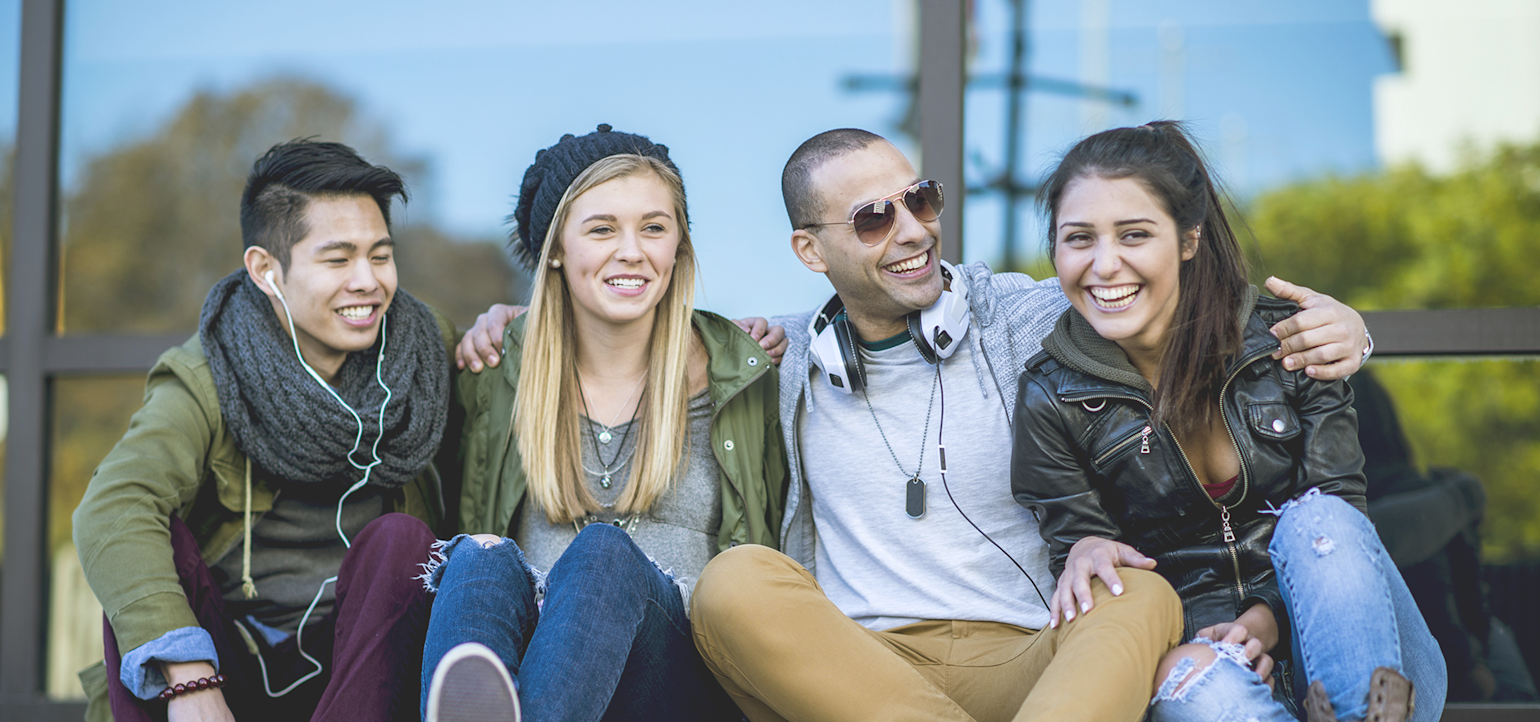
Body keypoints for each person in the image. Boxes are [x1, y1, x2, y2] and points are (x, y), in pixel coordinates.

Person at [459, 127, 1370, 722]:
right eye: (871, 217)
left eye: (919, 200)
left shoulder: (1020, 319)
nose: (911, 230)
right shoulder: (777, 360)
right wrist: (515, 324)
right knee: (735, 582)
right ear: (810, 250)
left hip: (1033, 658)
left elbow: (1153, 295)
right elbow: (632, 322)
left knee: (1142, 596)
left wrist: (1336, 328)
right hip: (856, 669)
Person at [1009, 121, 1445, 722]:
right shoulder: (1051, 397)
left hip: (1364, 654)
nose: (1105, 264)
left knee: (1320, 518)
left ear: (1189, 239)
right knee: (1196, 681)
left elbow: (1343, 530)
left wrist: (1268, 621)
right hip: (1204, 660)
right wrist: (1205, 643)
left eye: (1134, 235)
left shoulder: (1288, 343)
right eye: (1078, 238)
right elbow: (1101, 575)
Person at [73, 139, 461, 722]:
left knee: (404, 541)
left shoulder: (425, 352)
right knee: (152, 546)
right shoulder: (209, 372)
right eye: (338, 260)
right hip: (230, 662)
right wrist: (189, 677)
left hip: (367, 668)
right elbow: (113, 505)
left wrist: (504, 326)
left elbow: (518, 387)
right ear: (266, 270)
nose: (368, 281)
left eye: (380, 256)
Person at [419, 125, 783, 722]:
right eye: (602, 229)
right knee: (478, 557)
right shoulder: (495, 372)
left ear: (679, 247)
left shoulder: (745, 374)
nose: (632, 251)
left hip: (686, 679)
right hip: (538, 664)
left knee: (605, 552)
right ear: (555, 249)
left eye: (654, 228)